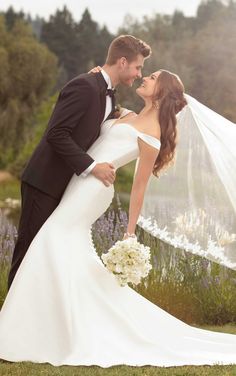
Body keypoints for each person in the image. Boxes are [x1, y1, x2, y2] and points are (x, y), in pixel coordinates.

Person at [0, 69, 235, 367]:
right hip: (79, 181)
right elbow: (96, 113)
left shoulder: (152, 134)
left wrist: (129, 232)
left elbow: (139, 187)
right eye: (144, 73)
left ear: (161, 92)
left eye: (151, 77)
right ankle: (49, 324)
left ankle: (32, 330)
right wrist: (95, 79)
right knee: (62, 248)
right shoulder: (127, 114)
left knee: (50, 239)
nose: (144, 78)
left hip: (93, 190)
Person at [7, 35, 152, 290]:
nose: (140, 74)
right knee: (27, 254)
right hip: (44, 182)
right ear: (122, 61)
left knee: (45, 257)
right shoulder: (85, 85)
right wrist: (92, 166)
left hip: (66, 188)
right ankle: (8, 323)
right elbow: (56, 134)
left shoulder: (107, 94)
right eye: (138, 67)